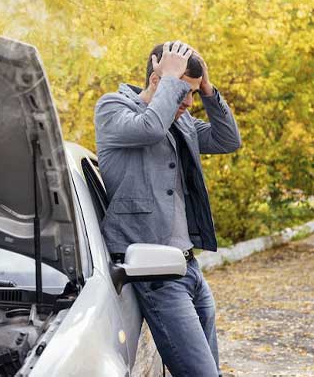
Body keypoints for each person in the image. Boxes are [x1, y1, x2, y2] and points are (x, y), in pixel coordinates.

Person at [94, 41, 241, 376]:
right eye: (182, 92)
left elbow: (227, 140)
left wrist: (208, 90)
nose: (188, 104)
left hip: (189, 268)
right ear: (158, 80)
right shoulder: (113, 108)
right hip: (155, 273)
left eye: (192, 94)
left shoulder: (181, 120)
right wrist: (171, 79)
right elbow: (149, 128)